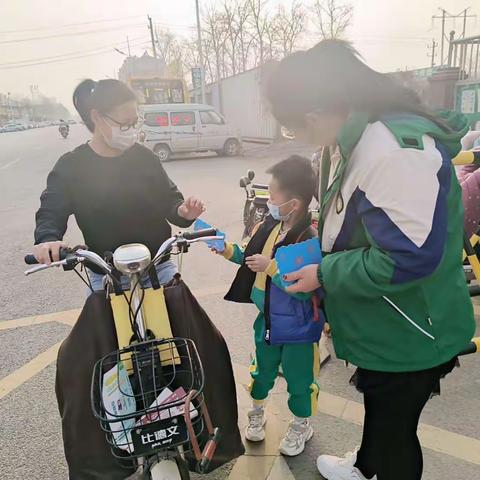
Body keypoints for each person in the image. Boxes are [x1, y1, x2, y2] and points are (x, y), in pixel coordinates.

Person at [266, 40, 476, 480]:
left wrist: (323, 272)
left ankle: (380, 467)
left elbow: (407, 259)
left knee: (397, 428)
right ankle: (365, 467)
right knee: (382, 406)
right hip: (386, 316)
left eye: (292, 129)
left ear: (315, 114)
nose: (297, 138)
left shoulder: (393, 150)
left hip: (413, 324)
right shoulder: (352, 135)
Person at [34, 79, 204, 290]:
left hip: (157, 268)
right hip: (106, 273)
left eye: (134, 123)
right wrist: (49, 239)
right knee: (97, 323)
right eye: (124, 123)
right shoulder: (71, 166)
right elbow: (51, 210)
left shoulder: (144, 158)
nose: (130, 130)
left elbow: (168, 199)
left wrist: (183, 211)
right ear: (97, 116)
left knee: (184, 321)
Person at [216, 155, 324, 457]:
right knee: (262, 372)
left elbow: (302, 291)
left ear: (296, 203)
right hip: (268, 320)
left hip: (299, 327)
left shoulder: (307, 238)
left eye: (274, 193)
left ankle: (302, 423)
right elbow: (250, 257)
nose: (268, 198)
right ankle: (257, 412)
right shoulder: (270, 226)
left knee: (299, 379)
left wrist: (272, 267)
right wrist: (224, 249)